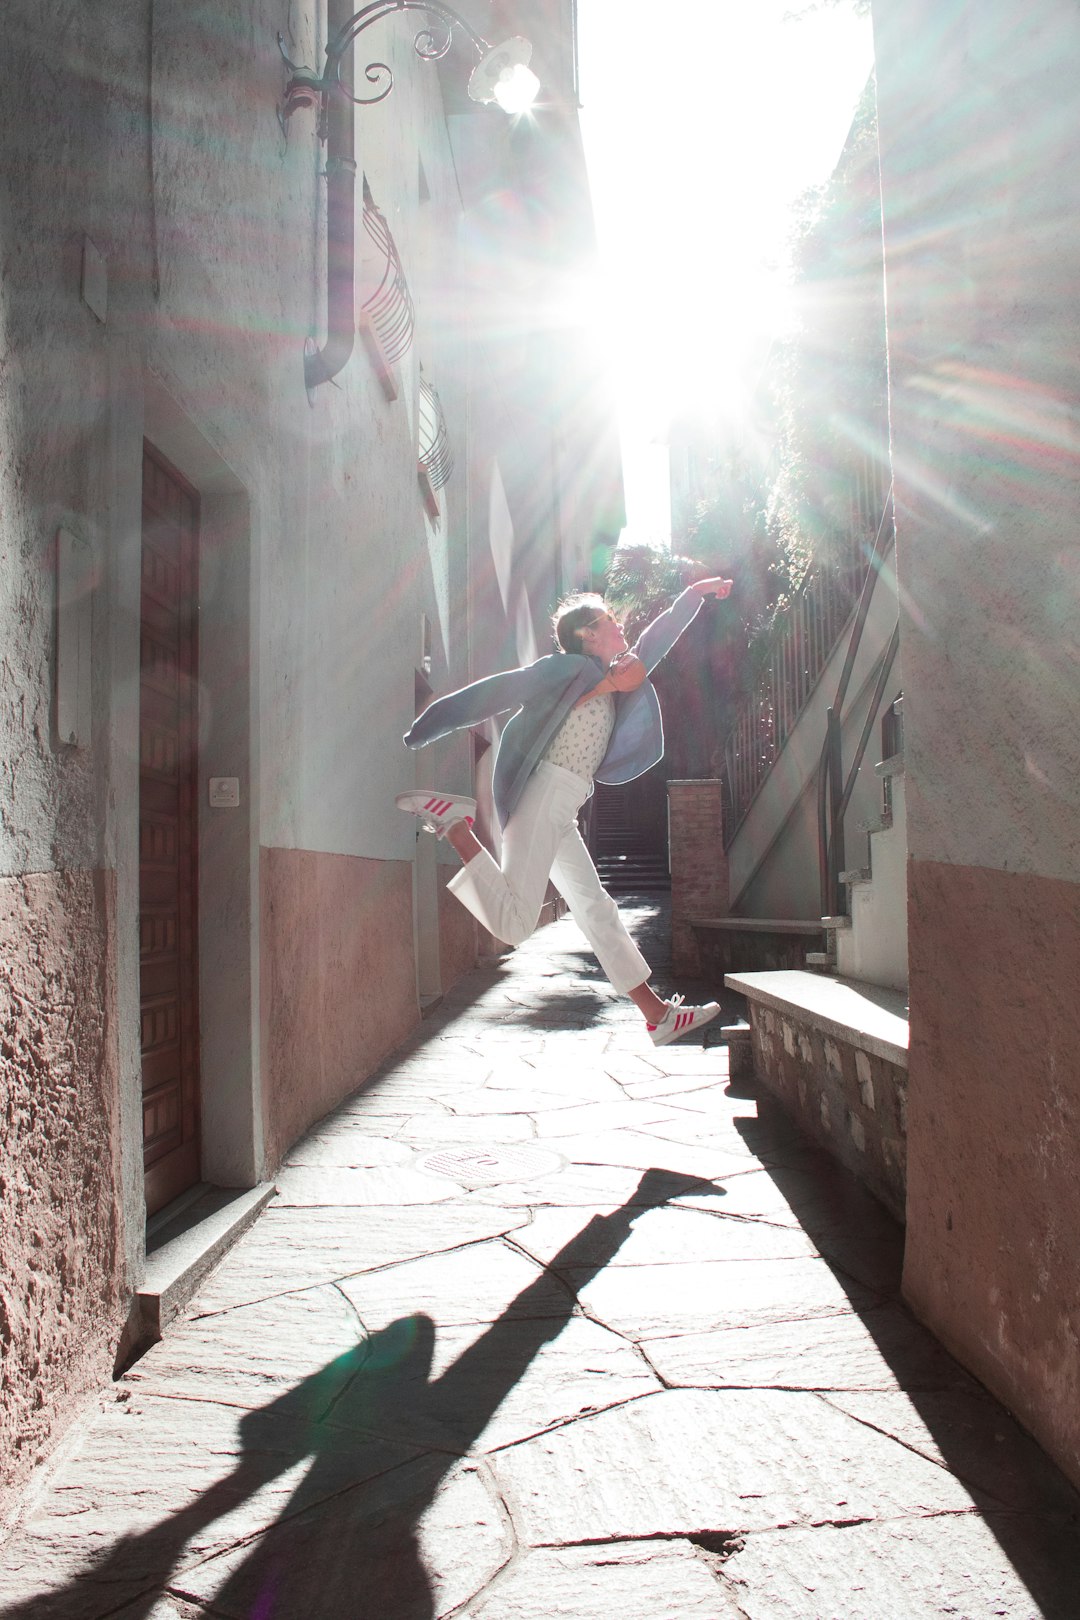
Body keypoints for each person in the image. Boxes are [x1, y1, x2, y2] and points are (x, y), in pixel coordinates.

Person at [397, 575, 733, 1045]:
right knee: (515, 924)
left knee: (596, 908)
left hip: (564, 804)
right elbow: (493, 692)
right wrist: (425, 727)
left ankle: (656, 1015)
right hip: (543, 795)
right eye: (608, 620)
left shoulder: (618, 674)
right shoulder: (562, 670)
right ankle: (455, 826)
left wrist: (693, 595)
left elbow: (657, 640)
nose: (619, 625)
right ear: (586, 635)